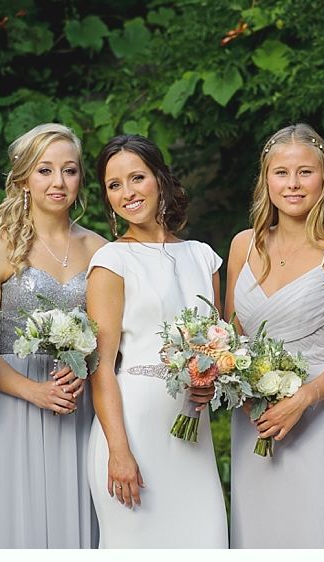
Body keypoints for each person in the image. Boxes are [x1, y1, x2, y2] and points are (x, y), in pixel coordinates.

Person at [224, 124, 324, 548]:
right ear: (265, 180)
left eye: (305, 172)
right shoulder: (243, 245)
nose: (293, 184)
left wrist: (302, 399)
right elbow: (229, 342)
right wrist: (245, 395)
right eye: (281, 173)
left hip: (316, 417)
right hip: (253, 419)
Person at [85, 134, 228, 548]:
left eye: (137, 178)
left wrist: (211, 381)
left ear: (160, 178)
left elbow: (217, 345)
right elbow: (100, 366)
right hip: (133, 431)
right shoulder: (111, 261)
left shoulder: (203, 256)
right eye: (114, 185)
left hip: (192, 436)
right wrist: (119, 451)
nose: (127, 193)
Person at [0, 123, 107, 548]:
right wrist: (32, 391)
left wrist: (87, 367)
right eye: (45, 170)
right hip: (14, 405)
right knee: (18, 518)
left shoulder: (101, 250)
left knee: (77, 514)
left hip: (77, 402)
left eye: (69, 170)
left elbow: (113, 335)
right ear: (24, 179)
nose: (58, 182)